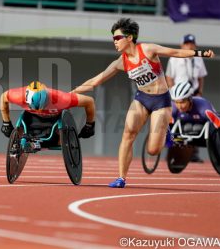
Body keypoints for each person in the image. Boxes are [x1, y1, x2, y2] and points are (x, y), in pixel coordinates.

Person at [71, 18, 214, 188]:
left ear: (129, 37)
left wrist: (201, 53)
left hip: (162, 101)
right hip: (142, 99)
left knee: (152, 150)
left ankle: (166, 134)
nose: (114, 42)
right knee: (128, 134)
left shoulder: (148, 49)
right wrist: (73, 92)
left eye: (117, 38)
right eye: (113, 39)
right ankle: (121, 178)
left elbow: (176, 52)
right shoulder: (121, 62)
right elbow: (96, 80)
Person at [0, 81, 96, 141]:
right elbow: (3, 97)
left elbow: (89, 101)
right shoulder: (18, 96)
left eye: (42, 106)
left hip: (54, 120)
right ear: (26, 100)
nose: (39, 110)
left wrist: (89, 125)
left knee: (59, 138)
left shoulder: (61, 98)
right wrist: (6, 123)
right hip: (31, 119)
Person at [169, 82, 220, 160]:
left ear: (190, 99)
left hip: (205, 130)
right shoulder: (173, 108)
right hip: (186, 130)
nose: (179, 106)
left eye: (182, 102)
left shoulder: (203, 108)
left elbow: (217, 123)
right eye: (176, 102)